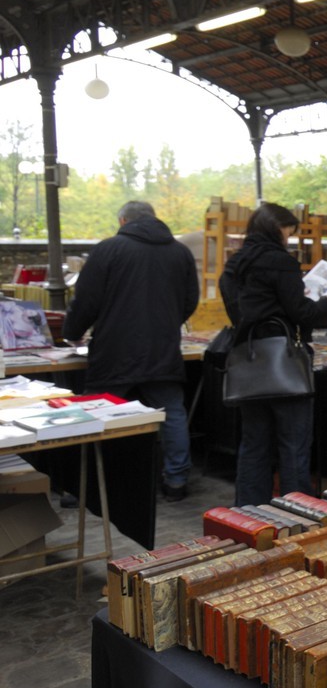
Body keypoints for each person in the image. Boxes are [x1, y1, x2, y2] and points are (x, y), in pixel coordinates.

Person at [64, 201, 200, 501]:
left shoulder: (108, 249)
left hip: (114, 350)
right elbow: (191, 299)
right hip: (162, 349)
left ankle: (85, 486)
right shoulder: (180, 252)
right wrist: (167, 323)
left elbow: (86, 300)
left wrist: (72, 333)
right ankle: (176, 481)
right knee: (171, 414)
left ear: (123, 221)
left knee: (96, 413)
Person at [220, 202, 327, 505]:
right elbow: (303, 313)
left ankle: (249, 514)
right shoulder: (281, 262)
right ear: (276, 229)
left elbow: (245, 311)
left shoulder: (236, 263)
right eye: (287, 232)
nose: (288, 239)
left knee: (254, 445)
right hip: (286, 362)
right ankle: (296, 514)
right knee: (293, 446)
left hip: (250, 361)